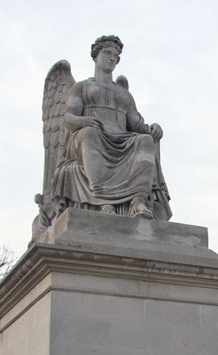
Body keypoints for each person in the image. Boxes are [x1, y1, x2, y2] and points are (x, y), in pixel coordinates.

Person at [53, 35, 170, 220]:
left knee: (145, 141)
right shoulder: (82, 87)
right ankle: (101, 200)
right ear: (95, 56)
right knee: (90, 134)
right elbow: (68, 118)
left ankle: (138, 201)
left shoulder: (124, 94)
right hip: (91, 135)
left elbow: (137, 124)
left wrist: (153, 129)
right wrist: (83, 122)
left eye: (115, 56)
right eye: (107, 53)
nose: (112, 58)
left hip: (121, 138)